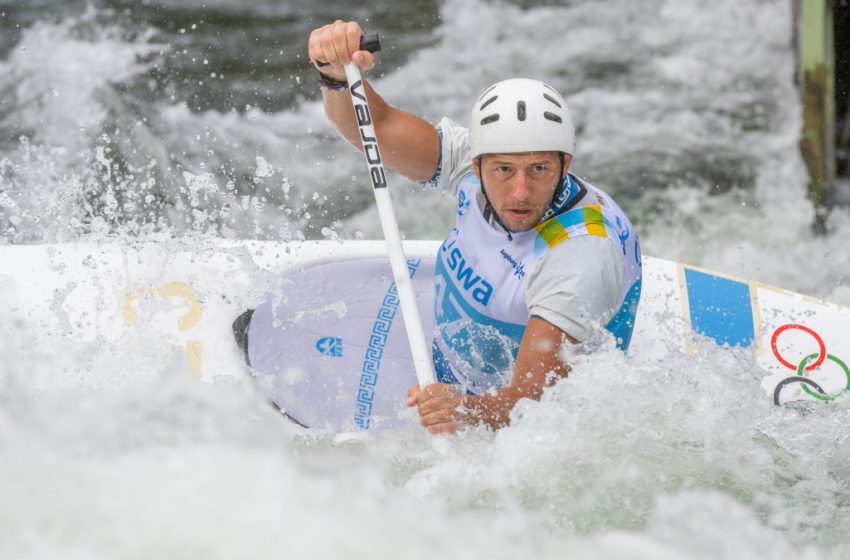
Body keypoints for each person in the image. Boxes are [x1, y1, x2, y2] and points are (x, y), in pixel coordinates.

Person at [307, 20, 642, 434]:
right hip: (453, 366)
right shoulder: (473, 162)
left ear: (565, 165)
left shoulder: (580, 259)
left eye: (539, 169)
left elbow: (534, 404)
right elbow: (377, 130)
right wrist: (336, 76)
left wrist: (464, 411)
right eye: (504, 169)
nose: (520, 192)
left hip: (520, 423)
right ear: (477, 163)